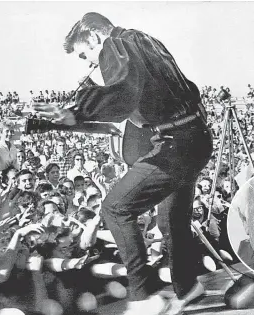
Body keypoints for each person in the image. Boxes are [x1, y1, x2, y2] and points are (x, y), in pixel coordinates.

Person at [33, 12, 213, 315]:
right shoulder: (144, 40)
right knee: (171, 221)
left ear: (93, 37)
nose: (90, 62)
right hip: (192, 136)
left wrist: (76, 113)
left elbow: (124, 96)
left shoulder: (114, 43)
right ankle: (188, 287)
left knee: (115, 208)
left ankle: (145, 296)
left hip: (177, 144)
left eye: (85, 54)